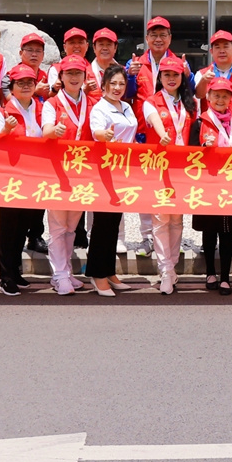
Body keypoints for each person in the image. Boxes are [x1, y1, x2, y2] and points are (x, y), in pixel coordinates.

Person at [0, 63, 49, 296]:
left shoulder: (41, 108)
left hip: (34, 176)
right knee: (8, 227)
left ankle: (16, 271)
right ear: (12, 87)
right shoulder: (2, 111)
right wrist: (5, 129)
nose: (26, 86)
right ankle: (5, 276)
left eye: (29, 82)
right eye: (20, 83)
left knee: (24, 225)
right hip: (11, 176)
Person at [139, 54, 194, 295]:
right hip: (159, 166)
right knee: (160, 219)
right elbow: (154, 121)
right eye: (166, 74)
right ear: (159, 77)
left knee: (177, 219)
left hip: (182, 167)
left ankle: (172, 267)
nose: (171, 78)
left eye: (175, 74)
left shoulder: (189, 103)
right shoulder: (151, 101)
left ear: (182, 77)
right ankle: (164, 270)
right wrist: (162, 135)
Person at [41, 55, 95, 295]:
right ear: (61, 77)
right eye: (69, 73)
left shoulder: (94, 102)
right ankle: (60, 274)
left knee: (72, 226)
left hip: (83, 173)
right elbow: (45, 133)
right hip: (58, 171)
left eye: (78, 73)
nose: (74, 78)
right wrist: (54, 131)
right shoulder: (52, 104)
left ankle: (66, 272)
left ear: (85, 77)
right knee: (57, 226)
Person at [195, 30, 232, 254]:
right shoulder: (202, 73)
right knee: (209, 187)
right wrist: (203, 82)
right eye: (217, 46)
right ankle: (208, 232)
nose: (221, 50)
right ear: (211, 51)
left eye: (226, 46)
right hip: (209, 139)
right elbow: (197, 97)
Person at [87, 65, 136, 296]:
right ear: (104, 85)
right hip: (104, 171)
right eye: (113, 83)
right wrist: (103, 135)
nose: (117, 88)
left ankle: (109, 270)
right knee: (102, 224)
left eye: (121, 84)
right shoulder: (99, 109)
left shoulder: (126, 106)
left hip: (123, 171)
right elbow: (96, 131)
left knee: (114, 222)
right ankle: (97, 274)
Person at [194, 78, 232, 294]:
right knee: (209, 230)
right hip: (208, 183)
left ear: (231, 99)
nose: (220, 99)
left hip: (231, 184)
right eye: (216, 95)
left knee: (227, 231)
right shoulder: (199, 121)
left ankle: (225, 276)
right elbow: (190, 152)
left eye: (225, 96)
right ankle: (210, 273)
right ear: (208, 97)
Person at [45, 27, 91, 95]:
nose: (76, 46)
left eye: (80, 42)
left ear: (87, 46)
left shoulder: (94, 69)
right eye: (72, 43)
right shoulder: (55, 69)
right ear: (64, 47)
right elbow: (51, 96)